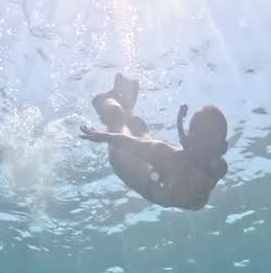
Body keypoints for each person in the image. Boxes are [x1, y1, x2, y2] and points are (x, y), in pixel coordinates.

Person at [79, 73, 228, 210]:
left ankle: (121, 105)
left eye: (210, 137)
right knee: (120, 118)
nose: (205, 147)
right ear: (190, 141)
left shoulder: (220, 167)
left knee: (135, 124)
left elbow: (191, 148)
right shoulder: (169, 154)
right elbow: (131, 145)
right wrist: (104, 136)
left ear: (222, 147)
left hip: (156, 179)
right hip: (128, 164)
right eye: (199, 133)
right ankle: (104, 100)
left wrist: (180, 122)